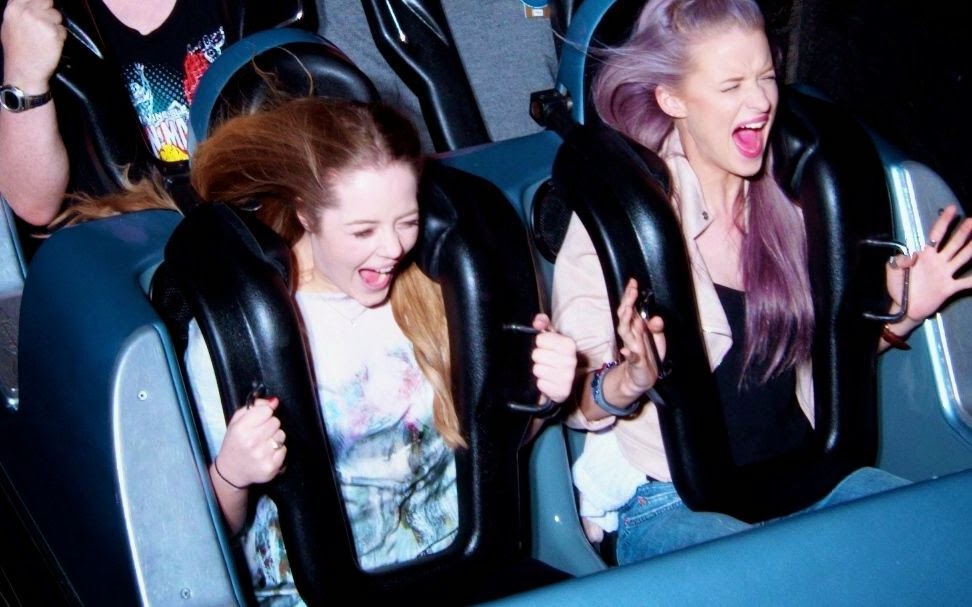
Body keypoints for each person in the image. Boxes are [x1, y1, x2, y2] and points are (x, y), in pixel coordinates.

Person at [551, 0, 972, 567]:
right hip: (670, 499)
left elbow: (813, 364)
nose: (759, 102)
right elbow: (578, 402)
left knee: (947, 540)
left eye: (766, 78)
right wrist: (629, 379)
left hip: (803, 477)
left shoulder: (794, 205)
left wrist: (906, 309)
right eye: (731, 86)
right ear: (672, 99)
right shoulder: (624, 221)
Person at [168, 96, 577, 604]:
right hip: (312, 595)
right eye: (363, 230)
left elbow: (489, 455)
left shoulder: (439, 290)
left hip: (457, 570)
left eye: (407, 221)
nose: (392, 248)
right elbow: (210, 538)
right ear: (306, 214)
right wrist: (233, 473)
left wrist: (541, 398)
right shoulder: (244, 331)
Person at [0, 0, 225, 226]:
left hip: (241, 220)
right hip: (133, 236)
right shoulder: (27, 15)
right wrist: (24, 78)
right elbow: (34, 206)